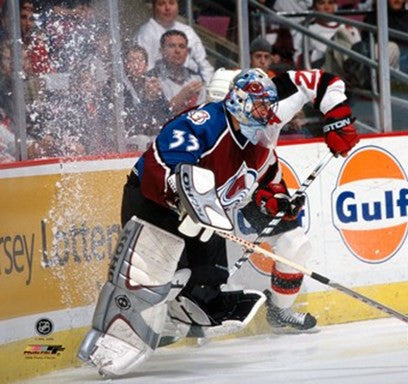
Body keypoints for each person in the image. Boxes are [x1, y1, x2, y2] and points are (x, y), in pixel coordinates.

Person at [77, 67, 359, 377]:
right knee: (152, 276)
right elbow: (162, 160)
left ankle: (176, 317)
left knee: (207, 284)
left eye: (268, 105)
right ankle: (112, 339)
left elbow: (263, 177)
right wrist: (177, 196)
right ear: (238, 101)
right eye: (260, 106)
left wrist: (275, 200)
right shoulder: (206, 123)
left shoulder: (260, 138)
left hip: (205, 212)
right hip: (155, 201)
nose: (268, 112)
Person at [135, 0, 214, 82]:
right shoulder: (145, 34)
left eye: (172, 3)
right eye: (162, 4)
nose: (167, 8)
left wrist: (209, 88)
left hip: (190, 84)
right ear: (153, 8)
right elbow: (145, 69)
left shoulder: (187, 31)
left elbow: (204, 65)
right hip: (160, 86)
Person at [122, 44, 171, 146]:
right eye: (131, 60)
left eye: (140, 60)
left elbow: (166, 117)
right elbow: (133, 121)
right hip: (127, 138)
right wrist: (149, 99)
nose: (136, 65)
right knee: (142, 140)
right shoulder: (119, 87)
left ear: (146, 65)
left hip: (151, 135)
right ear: (125, 65)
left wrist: (156, 98)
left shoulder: (152, 84)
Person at [148, 29, 206, 115]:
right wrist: (183, 95)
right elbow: (157, 116)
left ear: (187, 52)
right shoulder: (151, 78)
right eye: (171, 46)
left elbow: (203, 110)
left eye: (182, 46)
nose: (177, 51)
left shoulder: (195, 77)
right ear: (161, 51)